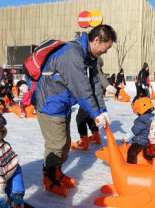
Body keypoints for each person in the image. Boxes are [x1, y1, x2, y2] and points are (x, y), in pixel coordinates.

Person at [32, 24, 116, 197]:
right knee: (56, 145)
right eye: (106, 48)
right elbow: (81, 88)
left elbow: (94, 84)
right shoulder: (73, 53)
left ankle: (56, 172)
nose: (106, 52)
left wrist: (102, 109)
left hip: (63, 103)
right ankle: (49, 178)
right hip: (50, 103)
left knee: (65, 144)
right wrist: (95, 114)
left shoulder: (89, 57)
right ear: (97, 40)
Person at [122, 97, 155, 164]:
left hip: (142, 142)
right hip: (151, 142)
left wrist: (125, 138)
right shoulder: (153, 117)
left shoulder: (141, 120)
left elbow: (134, 131)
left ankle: (131, 166)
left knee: (131, 151)